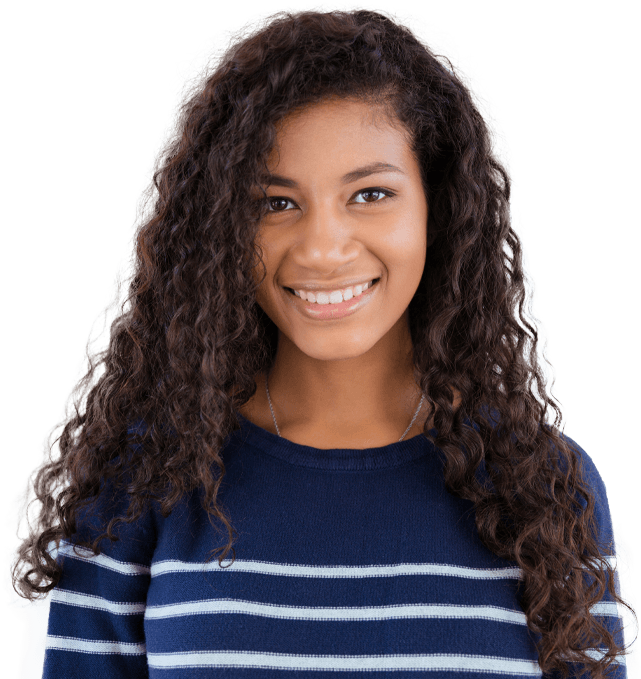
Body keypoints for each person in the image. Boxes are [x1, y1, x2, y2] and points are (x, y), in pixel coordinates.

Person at [8, 6, 637, 678]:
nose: (322, 248)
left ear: (440, 209)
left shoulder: (541, 489)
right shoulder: (138, 484)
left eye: (369, 193)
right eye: (274, 203)